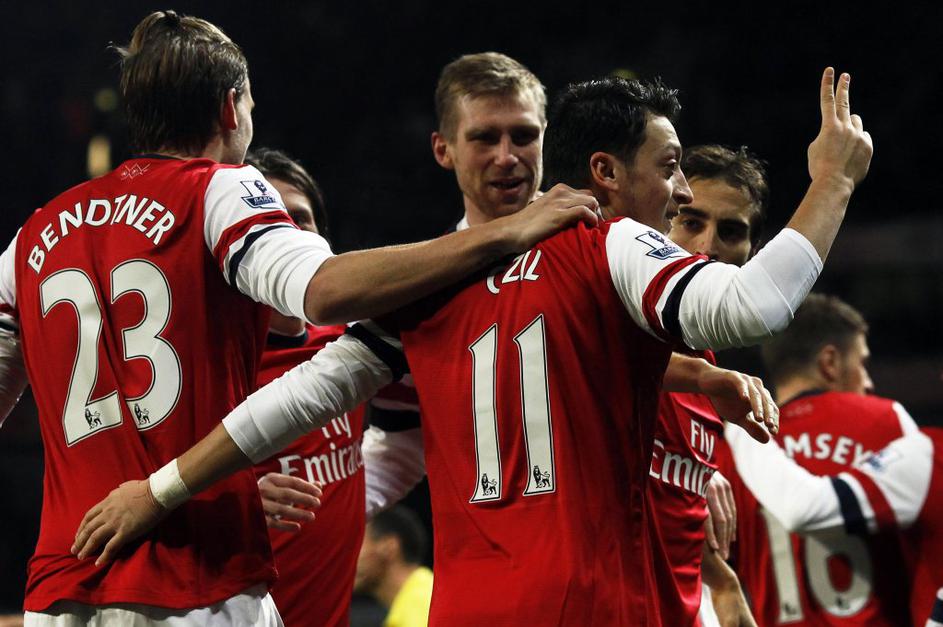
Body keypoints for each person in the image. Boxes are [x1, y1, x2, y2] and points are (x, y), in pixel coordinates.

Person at [75, 67, 871, 626]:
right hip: (589, 602)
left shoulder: (429, 283)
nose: (681, 190)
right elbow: (750, 305)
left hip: (465, 607)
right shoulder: (609, 245)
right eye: (669, 170)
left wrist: (162, 487)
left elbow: (302, 396)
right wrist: (832, 179)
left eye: (523, 135)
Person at [0, 11, 599, 626]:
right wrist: (504, 233)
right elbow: (323, 291)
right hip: (194, 583)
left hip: (62, 587)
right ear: (231, 108)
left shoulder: (33, 234)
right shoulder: (219, 187)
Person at [717, 293, 919, 625]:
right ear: (830, 362)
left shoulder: (734, 453)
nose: (868, 382)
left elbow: (719, 579)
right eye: (862, 363)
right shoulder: (888, 422)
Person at [645, 143, 772, 626]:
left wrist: (720, 579)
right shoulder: (616, 325)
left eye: (731, 231)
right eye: (691, 221)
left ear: (751, 252)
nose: (707, 247)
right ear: (659, 223)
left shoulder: (706, 372)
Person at [354, 506, 434, 627]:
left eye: (356, 544)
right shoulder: (423, 598)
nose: (347, 559)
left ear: (388, 547)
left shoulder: (420, 606)